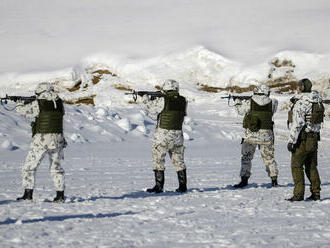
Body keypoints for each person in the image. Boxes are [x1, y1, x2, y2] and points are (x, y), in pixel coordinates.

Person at [15, 82, 67, 202]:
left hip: (42, 140)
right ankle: (60, 195)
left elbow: (22, 111)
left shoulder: (39, 102)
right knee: (56, 168)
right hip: (58, 139)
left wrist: (18, 102)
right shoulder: (59, 103)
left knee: (29, 167)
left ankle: (28, 194)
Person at [141, 79, 188, 193]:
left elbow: (151, 110)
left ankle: (159, 186)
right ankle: (183, 186)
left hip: (163, 135)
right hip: (177, 135)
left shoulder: (163, 99)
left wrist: (145, 98)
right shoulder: (183, 100)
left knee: (158, 159)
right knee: (178, 160)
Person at [233, 84, 279, 188]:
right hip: (266, 136)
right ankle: (274, 179)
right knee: (269, 158)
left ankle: (244, 180)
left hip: (251, 136)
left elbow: (239, 111)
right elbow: (272, 111)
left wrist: (237, 101)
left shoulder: (249, 101)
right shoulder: (273, 102)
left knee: (246, 158)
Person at [286, 78, 323, 201]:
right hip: (313, 139)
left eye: (298, 86)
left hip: (302, 140)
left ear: (301, 87)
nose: (297, 88)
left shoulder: (302, 102)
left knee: (296, 166)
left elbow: (297, 123)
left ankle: (298, 195)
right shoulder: (317, 101)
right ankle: (316, 193)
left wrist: (291, 141)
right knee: (311, 167)